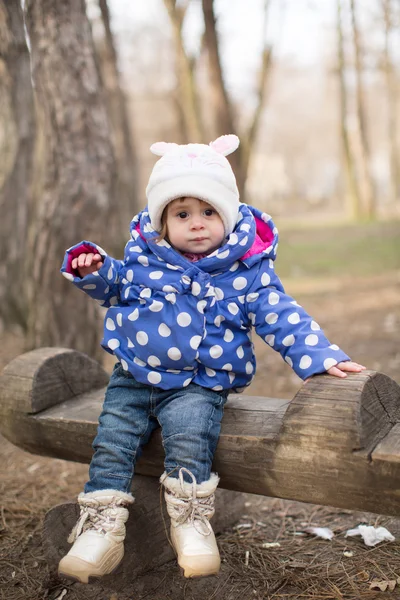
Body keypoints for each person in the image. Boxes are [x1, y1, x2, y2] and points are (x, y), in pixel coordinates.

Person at [59, 134, 365, 583]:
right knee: (113, 440)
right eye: (182, 214)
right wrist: (94, 269)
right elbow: (116, 286)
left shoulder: (246, 272)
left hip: (199, 381)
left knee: (189, 435)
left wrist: (317, 355)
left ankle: (190, 522)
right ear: (163, 221)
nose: (197, 224)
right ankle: (101, 527)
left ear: (229, 215)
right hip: (133, 376)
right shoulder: (144, 258)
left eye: (209, 212)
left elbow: (282, 316)